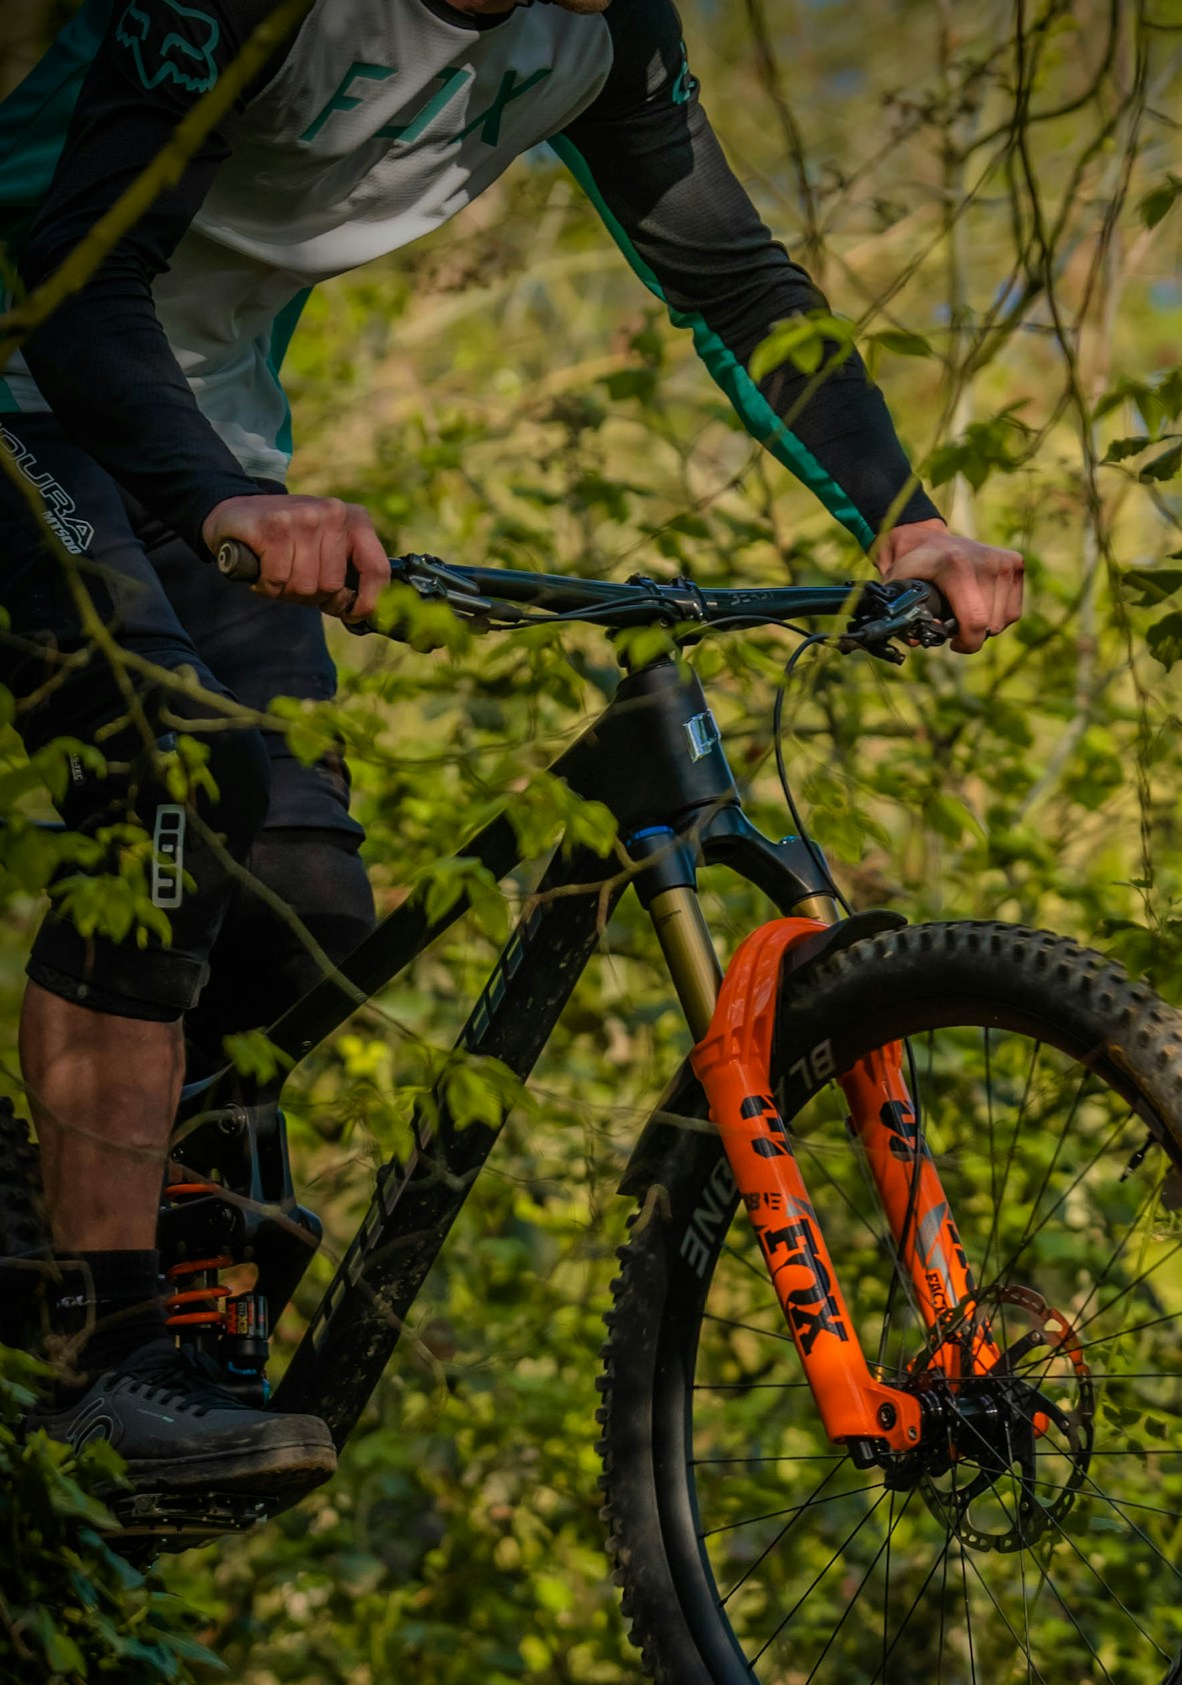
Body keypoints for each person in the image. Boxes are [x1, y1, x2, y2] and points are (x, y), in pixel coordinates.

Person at [0, 0, 1023, 1491]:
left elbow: (730, 273)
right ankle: (103, 1356)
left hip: (200, 439)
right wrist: (227, 500)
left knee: (299, 921)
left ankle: (148, 1285)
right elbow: (76, 286)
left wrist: (906, 513)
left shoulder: (598, 23)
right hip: (30, 378)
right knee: (173, 782)